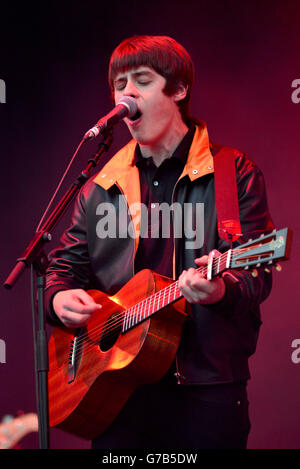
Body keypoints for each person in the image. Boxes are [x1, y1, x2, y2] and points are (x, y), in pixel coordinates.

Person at [45, 35, 274, 449]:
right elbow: (64, 267)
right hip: (118, 392)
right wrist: (58, 299)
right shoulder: (101, 184)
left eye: (142, 81)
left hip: (206, 390)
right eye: (119, 84)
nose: (126, 94)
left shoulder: (233, 172)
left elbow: (256, 274)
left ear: (179, 89)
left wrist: (221, 289)